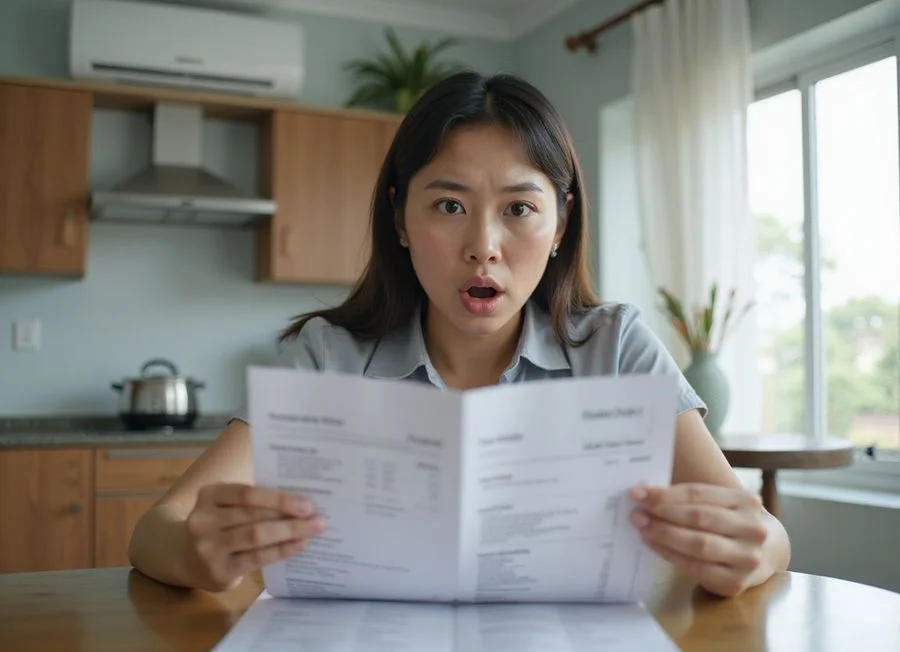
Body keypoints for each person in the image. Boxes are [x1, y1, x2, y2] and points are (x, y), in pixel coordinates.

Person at [128, 71, 790, 599]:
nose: (484, 247)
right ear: (400, 218)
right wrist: (197, 553)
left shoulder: (615, 347)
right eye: (449, 206)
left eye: (519, 210)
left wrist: (752, 549)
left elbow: (763, 535)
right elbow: (155, 531)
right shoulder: (327, 354)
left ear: (561, 224)